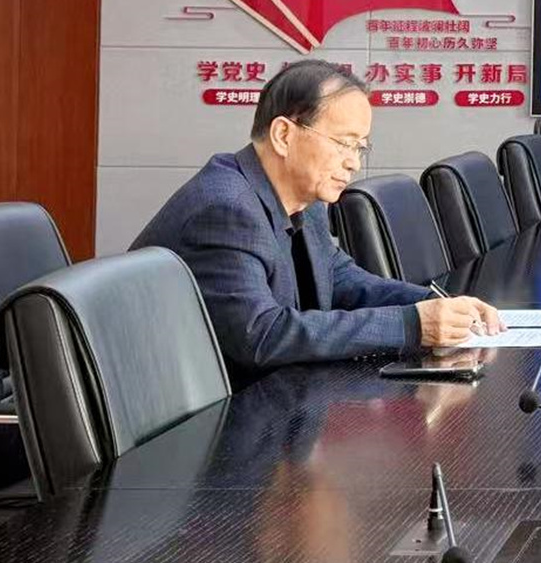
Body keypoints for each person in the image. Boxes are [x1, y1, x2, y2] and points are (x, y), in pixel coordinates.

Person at [134, 60, 503, 378]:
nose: (353, 162)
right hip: (203, 422)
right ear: (283, 135)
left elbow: (338, 277)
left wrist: (435, 304)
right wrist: (412, 325)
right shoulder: (227, 209)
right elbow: (261, 335)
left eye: (360, 147)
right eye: (344, 143)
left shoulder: (304, 200)